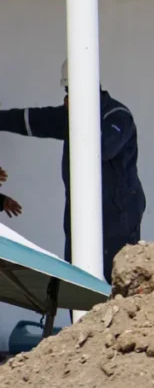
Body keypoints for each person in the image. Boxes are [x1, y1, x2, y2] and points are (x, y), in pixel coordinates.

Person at [0, 60, 145, 282]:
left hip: (118, 220)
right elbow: (32, 120)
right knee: (78, 283)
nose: (67, 96)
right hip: (80, 218)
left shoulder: (117, 116)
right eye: (67, 91)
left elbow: (103, 149)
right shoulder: (74, 116)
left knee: (117, 284)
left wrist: (78, 116)